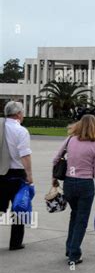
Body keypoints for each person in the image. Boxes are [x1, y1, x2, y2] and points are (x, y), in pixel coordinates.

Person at [53, 114, 95, 265]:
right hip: (85, 185)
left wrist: (54, 178)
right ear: (94, 127)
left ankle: (70, 247)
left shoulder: (70, 140)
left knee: (74, 215)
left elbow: (56, 159)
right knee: (81, 219)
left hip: (69, 183)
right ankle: (74, 254)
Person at [0, 101, 33, 251]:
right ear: (19, 114)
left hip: (1, 172)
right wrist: (29, 175)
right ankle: (15, 242)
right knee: (19, 207)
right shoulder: (21, 131)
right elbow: (25, 155)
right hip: (17, 174)